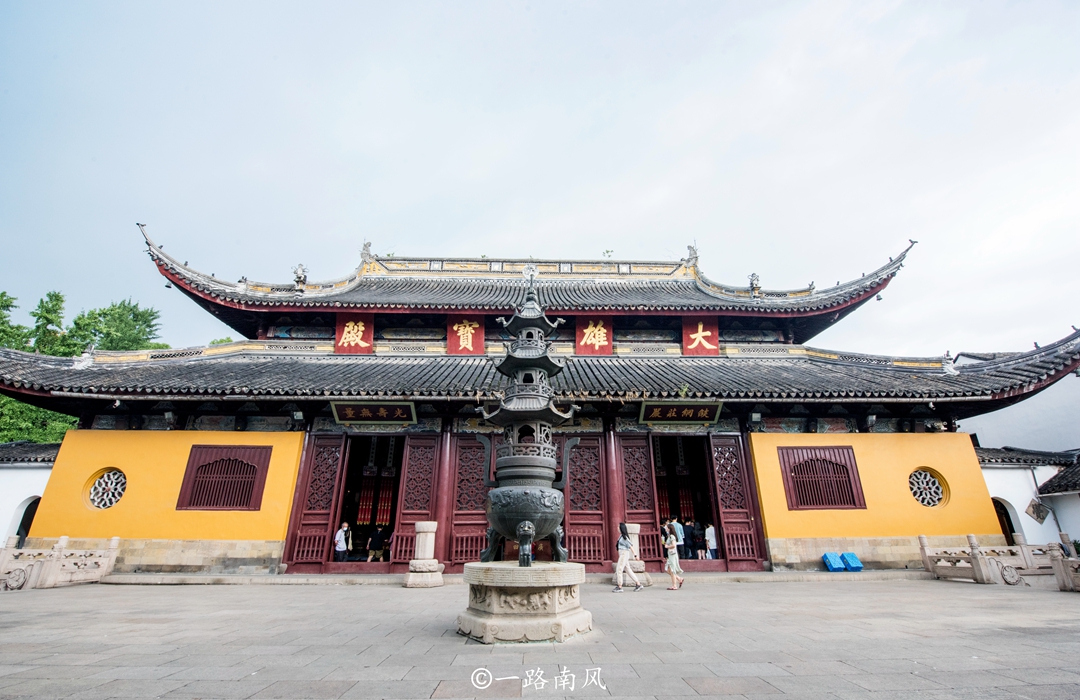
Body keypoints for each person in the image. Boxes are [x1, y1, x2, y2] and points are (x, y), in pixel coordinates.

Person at [613, 523, 644, 592]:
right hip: (622, 553)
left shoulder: (624, 537)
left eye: (618, 527)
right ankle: (638, 584)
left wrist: (635, 555)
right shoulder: (621, 536)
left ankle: (619, 586)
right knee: (628, 569)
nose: (617, 528)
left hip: (624, 553)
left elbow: (630, 546)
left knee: (619, 569)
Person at [663, 522, 684, 590]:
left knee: (672, 570)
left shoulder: (672, 536)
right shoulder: (670, 536)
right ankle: (679, 578)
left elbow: (674, 545)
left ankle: (674, 585)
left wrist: (667, 546)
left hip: (672, 555)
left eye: (666, 527)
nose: (665, 528)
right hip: (670, 555)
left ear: (669, 529)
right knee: (668, 570)